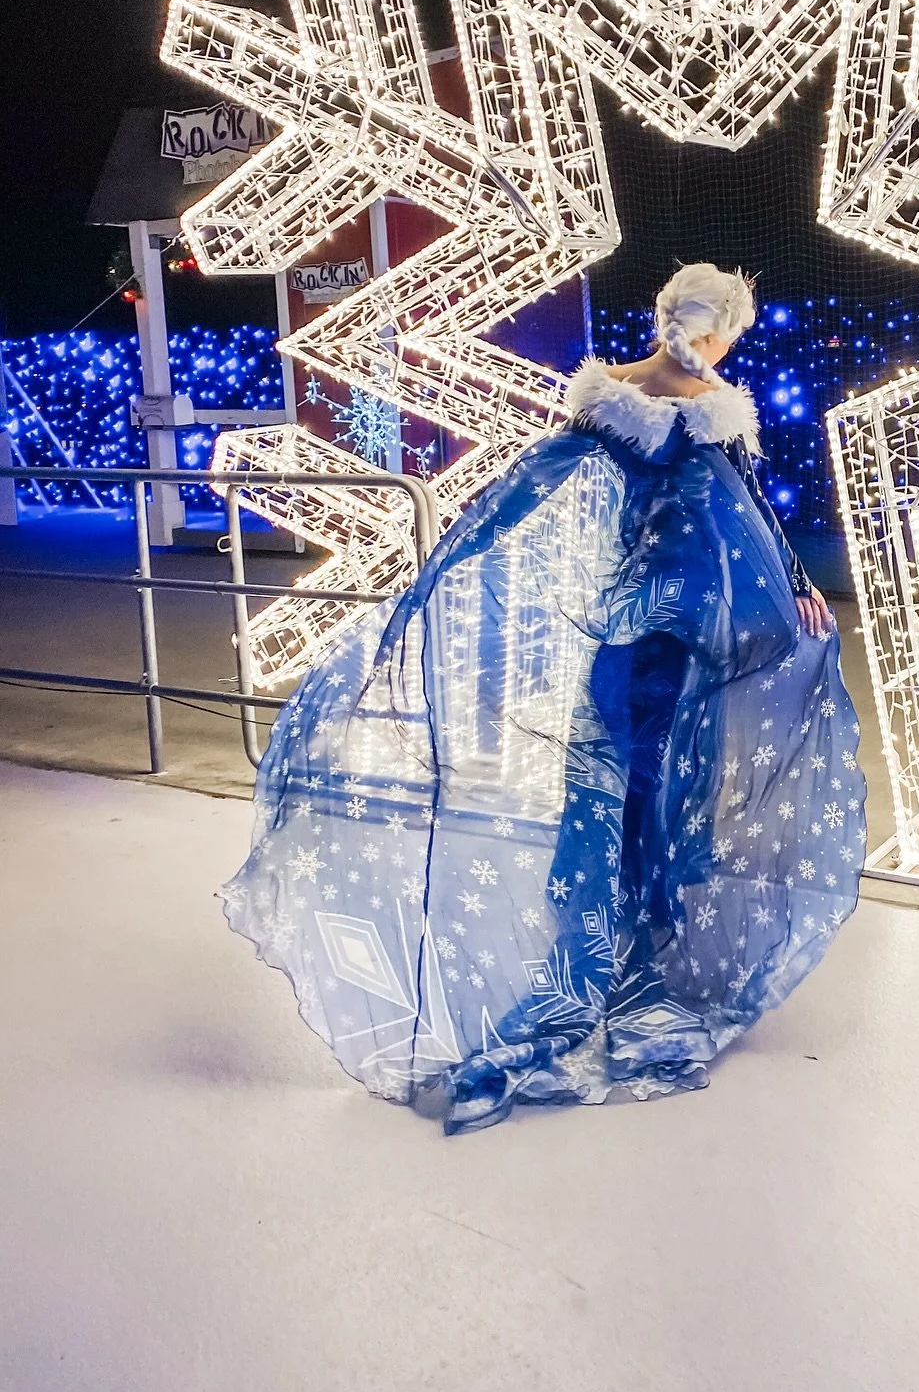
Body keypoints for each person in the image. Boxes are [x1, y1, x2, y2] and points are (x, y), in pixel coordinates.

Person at [221, 263, 867, 1132]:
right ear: (716, 332)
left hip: (626, 633)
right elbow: (752, 519)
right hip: (691, 643)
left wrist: (443, 570)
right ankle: (638, 962)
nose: (729, 349)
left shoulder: (611, 401)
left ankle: (606, 952)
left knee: (613, 794)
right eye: (730, 335)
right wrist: (794, 583)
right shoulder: (713, 410)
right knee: (662, 793)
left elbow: (523, 497)